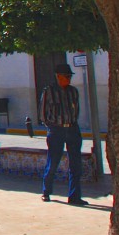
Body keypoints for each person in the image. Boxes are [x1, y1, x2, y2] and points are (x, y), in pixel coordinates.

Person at [40, 64, 87, 205]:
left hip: (72, 129)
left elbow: (76, 110)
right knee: (53, 162)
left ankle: (74, 196)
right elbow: (43, 114)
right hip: (56, 130)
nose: (68, 79)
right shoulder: (48, 91)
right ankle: (46, 191)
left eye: (69, 76)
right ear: (58, 77)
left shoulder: (73, 92)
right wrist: (52, 127)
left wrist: (72, 124)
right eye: (66, 76)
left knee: (76, 164)